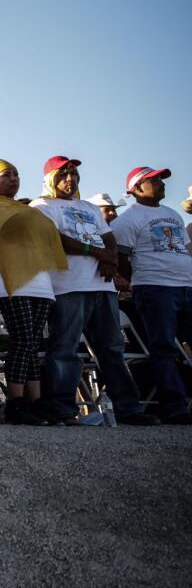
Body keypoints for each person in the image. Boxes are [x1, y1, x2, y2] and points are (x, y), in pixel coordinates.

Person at [30, 157, 157, 425]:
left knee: (112, 348)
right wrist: (97, 253)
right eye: (63, 174)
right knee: (65, 349)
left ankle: (128, 409)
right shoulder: (41, 206)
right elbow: (55, 239)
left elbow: (108, 235)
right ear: (49, 178)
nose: (70, 179)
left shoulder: (88, 206)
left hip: (102, 286)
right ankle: (63, 409)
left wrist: (109, 258)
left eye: (74, 174)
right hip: (68, 287)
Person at [0, 159, 67, 425]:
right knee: (23, 340)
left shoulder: (25, 208)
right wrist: (29, 214)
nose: (14, 179)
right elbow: (8, 228)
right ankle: (15, 404)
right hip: (10, 282)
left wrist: (28, 213)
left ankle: (35, 401)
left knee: (33, 343)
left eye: (16, 174)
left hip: (39, 281)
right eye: (6, 175)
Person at [111, 166, 192, 423]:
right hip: (154, 287)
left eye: (160, 180)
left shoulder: (172, 215)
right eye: (153, 180)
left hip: (186, 285)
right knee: (164, 348)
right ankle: (174, 406)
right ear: (136, 188)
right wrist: (128, 284)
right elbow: (121, 259)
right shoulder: (127, 219)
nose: (160, 183)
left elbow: (184, 248)